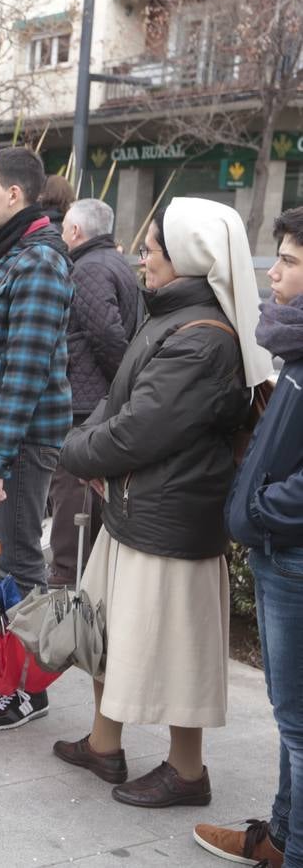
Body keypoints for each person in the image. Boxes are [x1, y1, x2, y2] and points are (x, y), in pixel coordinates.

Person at [54, 198, 273, 808]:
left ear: (186, 261)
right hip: (140, 508)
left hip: (170, 519)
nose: (139, 259)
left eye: (150, 250)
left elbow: (138, 429)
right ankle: (104, 745)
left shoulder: (203, 338)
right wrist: (86, 445)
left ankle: (188, 771)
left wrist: (75, 451)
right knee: (107, 632)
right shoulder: (171, 316)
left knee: (177, 649)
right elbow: (119, 402)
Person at [195, 207, 303, 867]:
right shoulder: (293, 342)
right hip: (281, 553)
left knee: (298, 724)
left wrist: (260, 509)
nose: (275, 269)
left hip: (292, 553)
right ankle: (283, 839)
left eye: (290, 260)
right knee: (292, 723)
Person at [0, 146, 74, 730]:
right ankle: (6, 671)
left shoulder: (40, 265)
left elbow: (23, 375)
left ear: (16, 196)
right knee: (8, 562)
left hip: (19, 450)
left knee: (22, 564)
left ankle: (31, 689)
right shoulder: (13, 256)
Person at [46, 198, 140, 586]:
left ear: (75, 232)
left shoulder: (87, 269)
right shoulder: (117, 263)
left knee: (72, 499)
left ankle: (68, 588)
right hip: (99, 402)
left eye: (65, 227)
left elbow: (107, 334)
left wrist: (122, 385)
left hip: (85, 407)